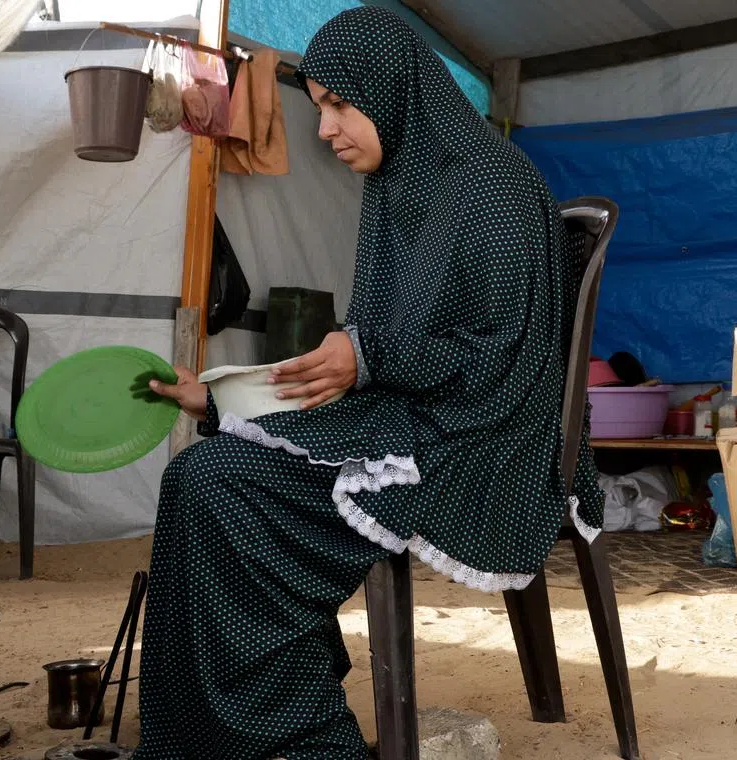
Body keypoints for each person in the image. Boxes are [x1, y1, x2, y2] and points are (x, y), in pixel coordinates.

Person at [131, 7, 604, 759]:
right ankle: (208, 737)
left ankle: (298, 739)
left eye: (338, 105)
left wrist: (370, 357)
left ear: (393, 89)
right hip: (416, 412)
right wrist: (222, 395)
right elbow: (379, 345)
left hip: (484, 433)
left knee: (222, 486)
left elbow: (507, 360)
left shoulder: (495, 187)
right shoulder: (401, 184)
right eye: (319, 106)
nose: (324, 129)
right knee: (196, 474)